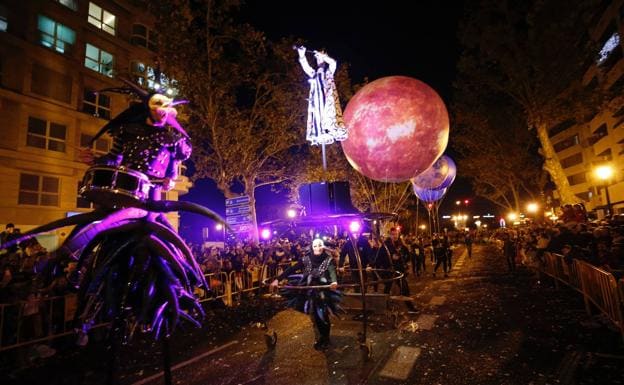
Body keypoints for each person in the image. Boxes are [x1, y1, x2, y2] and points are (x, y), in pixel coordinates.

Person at [270, 238, 341, 350]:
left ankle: (325, 338)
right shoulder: (306, 259)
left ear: (323, 247)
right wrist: (278, 279)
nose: (317, 248)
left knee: (322, 315)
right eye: (315, 246)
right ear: (312, 247)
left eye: (319, 245)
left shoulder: (328, 260)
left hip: (323, 291)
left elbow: (332, 271)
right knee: (316, 315)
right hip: (309, 291)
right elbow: (292, 269)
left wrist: (333, 281)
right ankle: (322, 337)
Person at [296, 46, 347, 146]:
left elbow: (333, 63)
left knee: (328, 117)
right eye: (318, 57)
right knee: (318, 117)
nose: (319, 59)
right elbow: (306, 67)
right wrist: (302, 55)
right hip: (317, 102)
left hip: (327, 102)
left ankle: (328, 130)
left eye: (321, 57)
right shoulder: (314, 74)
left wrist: (324, 56)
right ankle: (320, 131)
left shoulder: (329, 72)